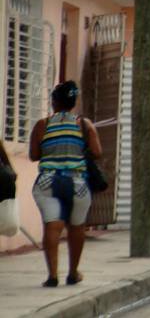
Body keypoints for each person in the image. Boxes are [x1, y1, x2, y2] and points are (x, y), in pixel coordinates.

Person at [29, 81, 102, 287]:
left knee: (52, 226)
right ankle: (73, 273)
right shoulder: (84, 124)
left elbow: (34, 155)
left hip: (48, 181)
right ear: (73, 102)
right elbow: (97, 152)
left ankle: (52, 275)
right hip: (77, 182)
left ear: (54, 102)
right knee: (77, 227)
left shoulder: (42, 125)